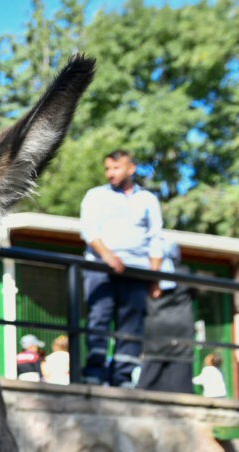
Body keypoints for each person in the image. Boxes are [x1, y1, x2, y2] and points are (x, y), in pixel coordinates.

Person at [79, 150, 163, 387]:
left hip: (136, 271)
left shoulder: (148, 200)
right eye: (107, 169)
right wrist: (109, 257)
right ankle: (94, 373)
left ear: (131, 168)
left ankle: (123, 376)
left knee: (131, 324)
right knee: (98, 317)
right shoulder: (95, 196)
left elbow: (156, 238)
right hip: (100, 267)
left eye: (115, 168)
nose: (110, 173)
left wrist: (154, 277)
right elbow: (89, 231)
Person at [138, 237, 195, 393]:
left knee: (150, 377)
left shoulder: (147, 273)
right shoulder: (185, 273)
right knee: (180, 378)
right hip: (181, 328)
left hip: (155, 324)